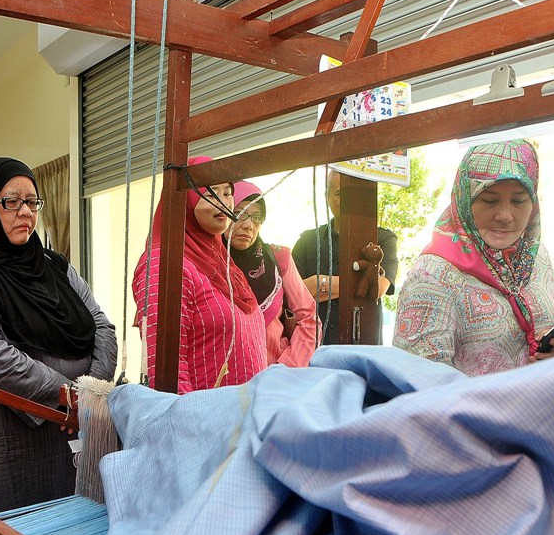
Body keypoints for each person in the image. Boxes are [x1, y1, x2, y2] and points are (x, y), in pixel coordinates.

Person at [0, 157, 117, 513]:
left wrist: (87, 394)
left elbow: (102, 327)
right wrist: (66, 396)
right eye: (11, 202)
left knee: (69, 532)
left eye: (32, 202)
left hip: (71, 429)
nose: (25, 212)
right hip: (3, 442)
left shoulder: (54, 265)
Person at [393, 139, 554, 376]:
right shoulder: (432, 276)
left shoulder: (534, 257)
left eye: (518, 200)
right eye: (489, 200)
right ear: (465, 199)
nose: (505, 215)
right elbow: (420, 380)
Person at [133, 156, 266, 393]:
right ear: (186, 197)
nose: (223, 201)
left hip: (248, 411)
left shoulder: (224, 264)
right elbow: (165, 366)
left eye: (228, 193)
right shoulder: (165, 264)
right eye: (211, 192)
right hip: (203, 413)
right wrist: (189, 415)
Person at [291, 169, 398, 345]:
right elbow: (294, 295)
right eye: (340, 194)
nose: (348, 201)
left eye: (354, 195)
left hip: (364, 347)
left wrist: (319, 282)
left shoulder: (383, 239)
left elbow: (377, 289)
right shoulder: (307, 242)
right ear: (327, 197)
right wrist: (360, 287)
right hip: (314, 348)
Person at [226, 181, 319, 367]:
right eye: (239, 213)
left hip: (274, 372)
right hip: (225, 374)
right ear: (224, 213)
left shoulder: (279, 258)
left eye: (256, 217)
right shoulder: (209, 262)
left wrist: (288, 367)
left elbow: (309, 319)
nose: (248, 225)